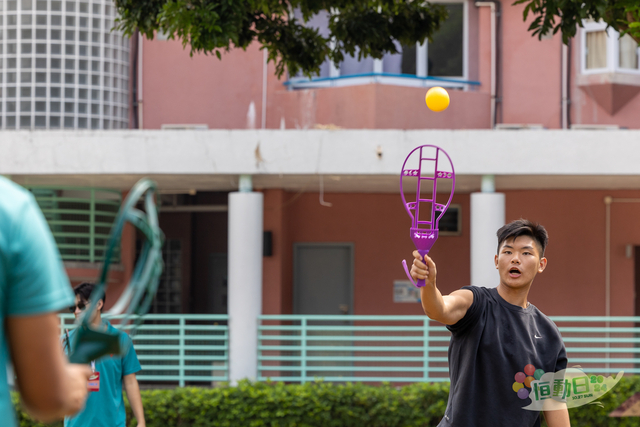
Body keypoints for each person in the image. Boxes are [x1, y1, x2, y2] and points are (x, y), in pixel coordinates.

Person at [410, 219, 570, 427]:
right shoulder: (476, 302)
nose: (515, 259)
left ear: (541, 264)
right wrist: (428, 285)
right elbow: (439, 309)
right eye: (508, 252)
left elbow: (554, 403)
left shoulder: (549, 333)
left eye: (526, 253)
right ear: (496, 260)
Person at [0, 177, 92, 425]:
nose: (77, 311)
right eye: (76, 306)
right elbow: (46, 398)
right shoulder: (12, 209)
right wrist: (69, 384)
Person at [64, 283, 146, 427]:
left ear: (99, 304)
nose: (76, 311)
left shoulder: (121, 340)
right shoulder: (66, 341)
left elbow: (130, 382)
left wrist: (141, 421)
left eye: (81, 306)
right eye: (72, 308)